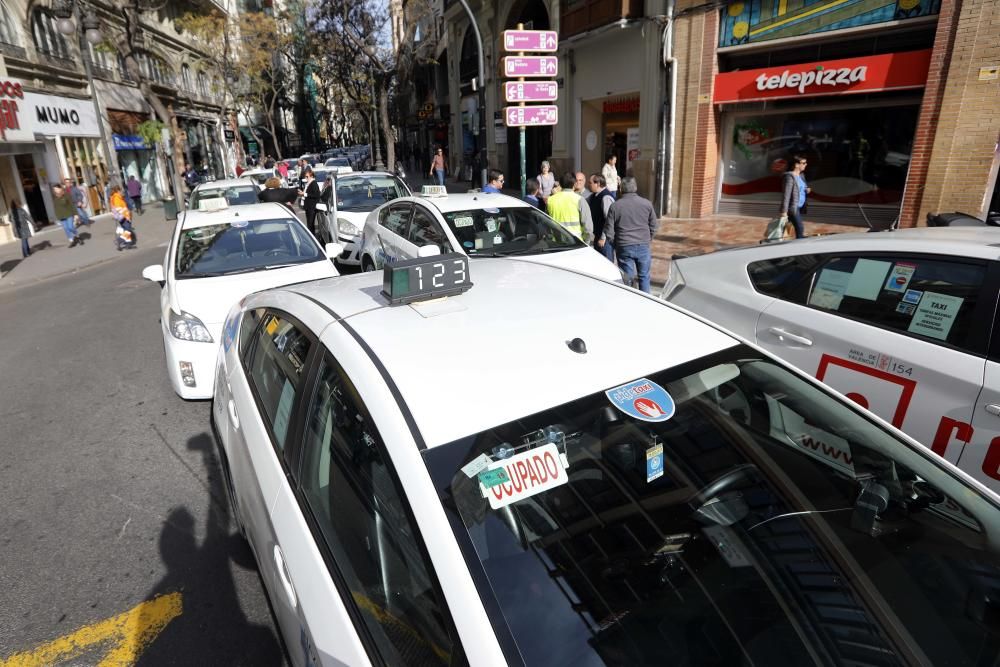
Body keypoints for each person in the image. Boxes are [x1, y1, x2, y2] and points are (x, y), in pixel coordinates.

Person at [605, 177, 657, 293]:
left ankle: (631, 301)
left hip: (624, 246)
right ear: (636, 188)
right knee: (644, 277)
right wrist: (648, 239)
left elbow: (609, 231)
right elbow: (654, 226)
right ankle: (646, 302)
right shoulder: (646, 204)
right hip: (643, 245)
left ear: (621, 189)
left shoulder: (615, 206)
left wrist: (616, 244)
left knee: (628, 280)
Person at [546, 172, 593, 243]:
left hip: (556, 243)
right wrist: (587, 242)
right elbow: (588, 227)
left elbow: (546, 222)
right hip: (576, 242)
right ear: (574, 184)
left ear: (560, 184)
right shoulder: (579, 200)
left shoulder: (550, 200)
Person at [779, 155, 810, 239]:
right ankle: (799, 245)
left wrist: (806, 189)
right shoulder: (789, 177)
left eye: (805, 163)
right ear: (796, 165)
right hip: (793, 207)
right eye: (803, 163)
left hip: (799, 207)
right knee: (800, 227)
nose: (805, 164)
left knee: (788, 229)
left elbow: (802, 187)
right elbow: (786, 195)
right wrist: (784, 211)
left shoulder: (801, 175)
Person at [588, 173, 615, 262]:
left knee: (607, 264)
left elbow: (609, 220)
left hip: (604, 240)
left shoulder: (606, 197)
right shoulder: (593, 196)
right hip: (597, 237)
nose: (588, 185)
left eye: (590, 183)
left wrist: (603, 238)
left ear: (598, 183)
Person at [52, 183, 83, 248]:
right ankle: (71, 241)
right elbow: (55, 208)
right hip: (61, 216)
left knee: (70, 227)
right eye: (54, 189)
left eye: (57, 189)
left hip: (68, 214)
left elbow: (72, 205)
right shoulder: (55, 197)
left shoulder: (66, 195)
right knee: (66, 229)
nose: (56, 190)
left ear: (60, 188)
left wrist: (76, 214)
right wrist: (57, 218)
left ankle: (77, 236)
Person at [110, 185, 137, 250]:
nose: (121, 191)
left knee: (126, 230)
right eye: (120, 190)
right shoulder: (117, 197)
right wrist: (126, 215)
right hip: (123, 216)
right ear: (118, 190)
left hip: (121, 217)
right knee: (128, 230)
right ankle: (119, 240)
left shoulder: (115, 197)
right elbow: (119, 208)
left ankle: (128, 244)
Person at [301, 168, 321, 237]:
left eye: (307, 177)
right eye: (305, 176)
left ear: (311, 176)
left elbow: (316, 195)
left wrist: (304, 194)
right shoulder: (308, 183)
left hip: (312, 207)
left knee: (310, 224)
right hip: (308, 207)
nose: (306, 178)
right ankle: (312, 237)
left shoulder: (314, 183)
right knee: (309, 224)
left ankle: (312, 238)